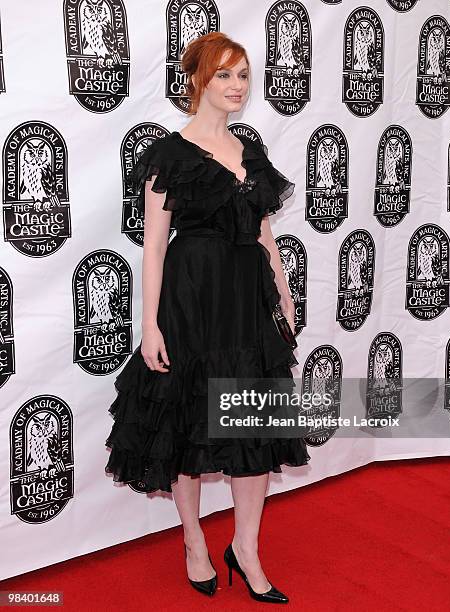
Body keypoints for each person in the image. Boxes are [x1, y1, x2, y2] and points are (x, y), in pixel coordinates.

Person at [105, 31, 310, 603]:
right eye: (224, 74)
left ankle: (245, 547)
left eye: (243, 74)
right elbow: (151, 247)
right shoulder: (167, 156)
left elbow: (264, 228)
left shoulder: (252, 151)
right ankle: (194, 539)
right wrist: (149, 325)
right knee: (188, 425)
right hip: (190, 302)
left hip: (248, 304)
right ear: (197, 80)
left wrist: (285, 295)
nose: (237, 86)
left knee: (254, 426)